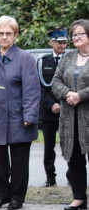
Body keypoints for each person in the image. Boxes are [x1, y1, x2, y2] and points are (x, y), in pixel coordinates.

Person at [0, 16, 40, 210]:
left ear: (15, 35)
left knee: (19, 163)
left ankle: (17, 197)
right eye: (1, 33)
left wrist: (29, 116)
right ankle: (2, 195)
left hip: (19, 118)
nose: (4, 37)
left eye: (8, 33)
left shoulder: (25, 58)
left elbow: (32, 90)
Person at [52, 19, 89, 210]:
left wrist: (80, 96)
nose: (75, 37)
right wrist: (67, 94)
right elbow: (55, 81)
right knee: (74, 158)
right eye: (73, 35)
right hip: (70, 118)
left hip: (88, 117)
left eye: (79, 34)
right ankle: (79, 197)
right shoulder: (67, 57)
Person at [38, 27, 68, 187]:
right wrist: (51, 105)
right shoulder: (43, 61)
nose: (62, 46)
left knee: (69, 145)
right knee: (49, 147)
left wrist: (62, 104)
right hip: (49, 111)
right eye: (59, 42)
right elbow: (40, 88)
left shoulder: (71, 60)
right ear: (52, 42)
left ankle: (72, 176)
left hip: (68, 109)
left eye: (64, 42)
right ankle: (50, 178)